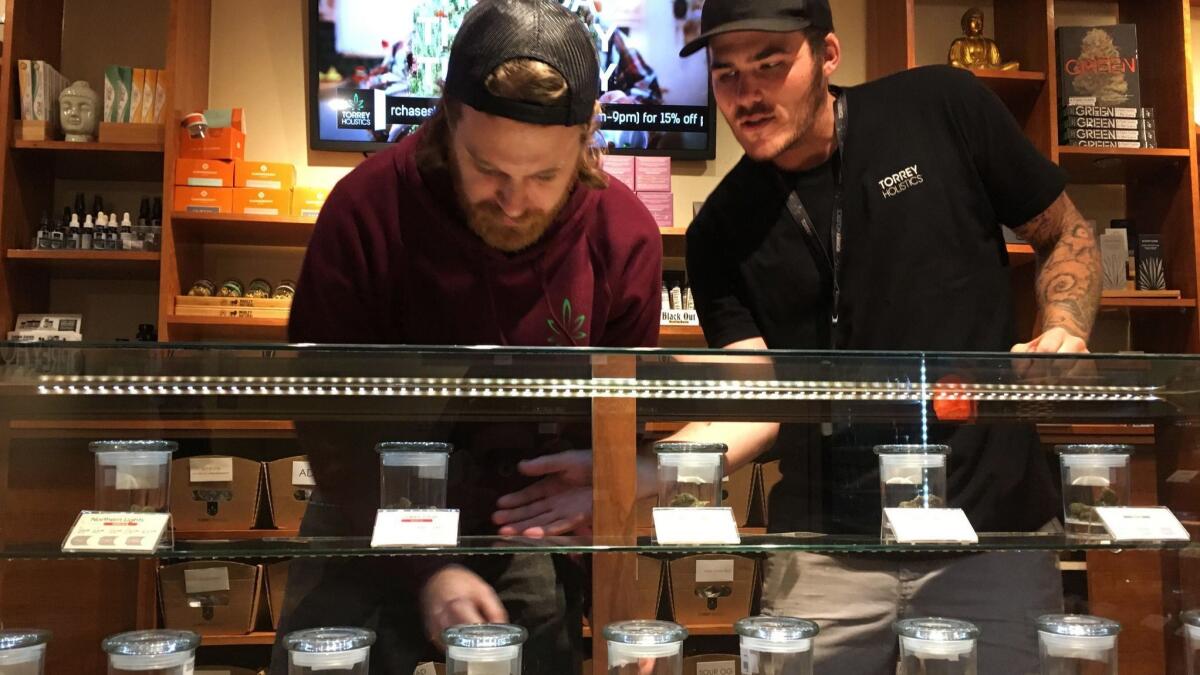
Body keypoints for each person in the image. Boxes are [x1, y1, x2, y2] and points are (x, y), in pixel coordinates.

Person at [494, 1, 1102, 673]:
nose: (746, 93)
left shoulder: (943, 106)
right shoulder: (720, 231)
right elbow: (756, 404)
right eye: (726, 75)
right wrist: (629, 473)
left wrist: (1065, 329)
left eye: (770, 65)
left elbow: (1067, 231)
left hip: (994, 535)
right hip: (824, 547)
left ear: (829, 55)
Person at [270, 1, 663, 673]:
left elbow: (616, 428)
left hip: (519, 527)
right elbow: (327, 420)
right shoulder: (366, 209)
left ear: (588, 137)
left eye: (543, 176)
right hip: (364, 509)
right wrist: (426, 567)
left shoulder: (623, 237)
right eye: (487, 170)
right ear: (449, 118)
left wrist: (607, 556)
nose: (513, 202)